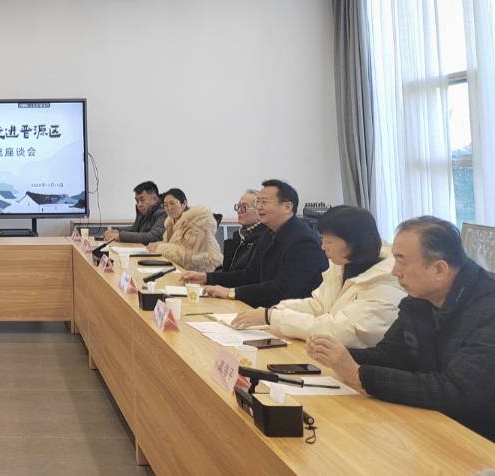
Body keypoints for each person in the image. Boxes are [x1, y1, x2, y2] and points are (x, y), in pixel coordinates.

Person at [307, 216, 495, 440]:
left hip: (477, 440)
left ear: (439, 269)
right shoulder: (419, 299)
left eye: (401, 261)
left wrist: (359, 375)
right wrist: (339, 356)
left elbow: (455, 391)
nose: (394, 272)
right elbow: (391, 355)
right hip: (429, 426)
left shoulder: (488, 309)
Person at [231, 205, 405, 347]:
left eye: (329, 241)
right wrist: (276, 310)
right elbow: (318, 305)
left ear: (354, 243)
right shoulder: (342, 267)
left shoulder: (385, 284)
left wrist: (272, 317)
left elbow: (339, 331)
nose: (323, 247)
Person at [180, 179, 326, 307]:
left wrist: (232, 293)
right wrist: (206, 277)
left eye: (264, 202)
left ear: (287, 207)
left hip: (290, 317)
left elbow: (282, 289)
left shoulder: (304, 242)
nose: (259, 207)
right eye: (258, 202)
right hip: (266, 311)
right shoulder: (269, 233)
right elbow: (248, 275)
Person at [153, 188, 223, 272]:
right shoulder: (171, 223)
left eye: (172, 203)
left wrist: (160, 248)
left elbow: (189, 258)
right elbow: (171, 245)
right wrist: (156, 245)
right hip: (181, 268)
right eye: (166, 205)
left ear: (184, 203)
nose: (169, 208)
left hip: (203, 271)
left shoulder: (197, 224)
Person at [218, 189, 268, 272]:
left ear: (259, 211)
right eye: (238, 206)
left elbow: (246, 276)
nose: (239, 211)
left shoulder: (266, 240)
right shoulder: (237, 239)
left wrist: (208, 277)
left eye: (244, 207)